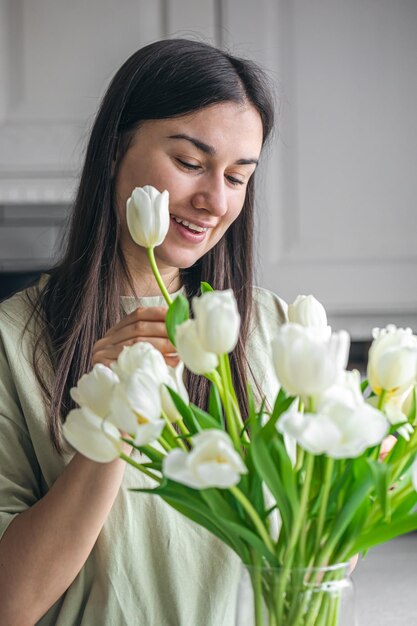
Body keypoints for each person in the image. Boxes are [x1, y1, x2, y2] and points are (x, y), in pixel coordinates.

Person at [0, 39, 287, 625]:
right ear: (114, 150)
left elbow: (311, 562)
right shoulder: (11, 341)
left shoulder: (273, 331)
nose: (214, 200)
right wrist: (112, 426)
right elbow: (9, 605)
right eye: (189, 163)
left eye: (238, 176)